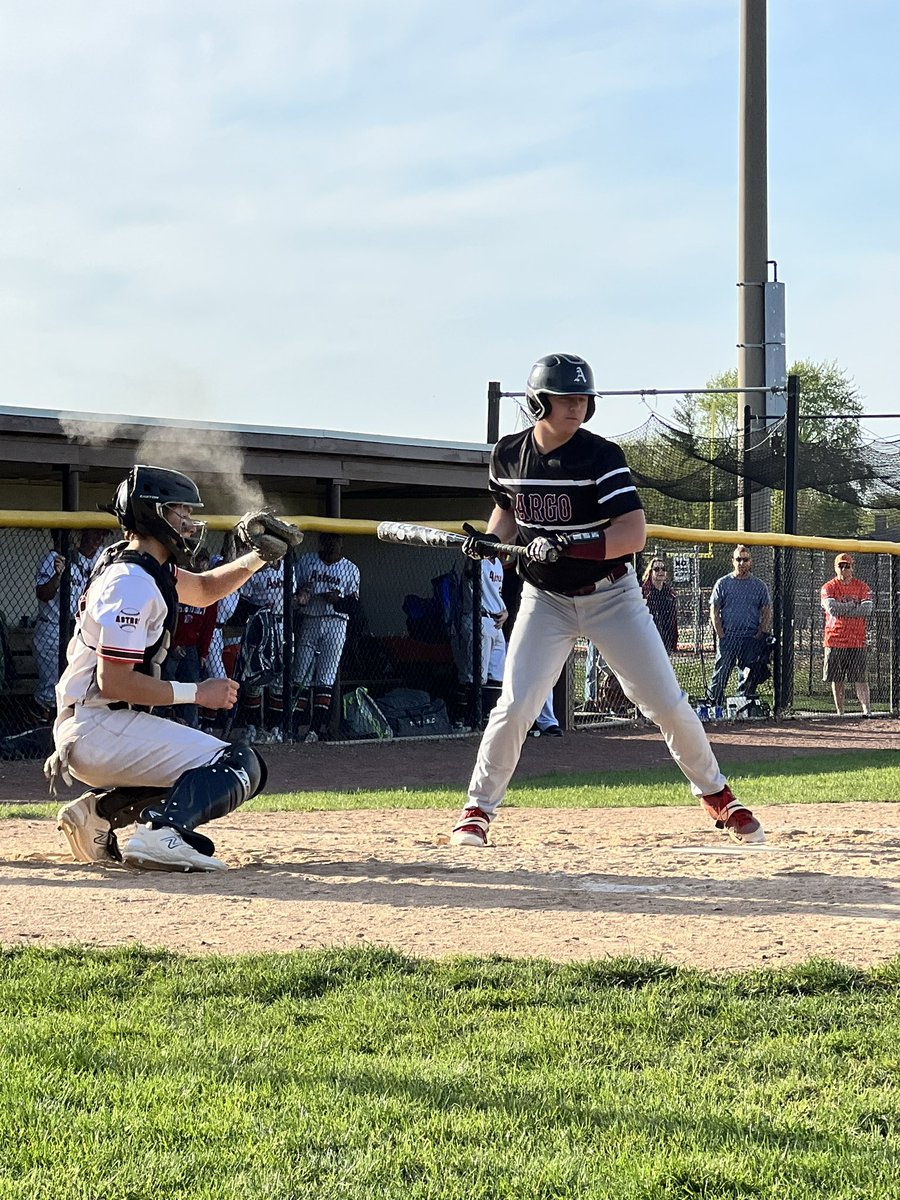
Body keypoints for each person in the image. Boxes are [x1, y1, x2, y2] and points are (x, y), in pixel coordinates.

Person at [448, 352, 764, 848]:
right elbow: (505, 515)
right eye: (564, 398)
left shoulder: (601, 456)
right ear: (538, 402)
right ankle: (477, 810)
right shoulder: (508, 455)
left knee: (666, 702)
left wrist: (571, 544)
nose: (576, 406)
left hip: (612, 595)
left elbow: (632, 533)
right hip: (545, 599)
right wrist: (490, 542)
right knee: (515, 705)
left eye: (581, 398)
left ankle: (718, 794)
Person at [49, 465, 301, 872]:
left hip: (96, 722)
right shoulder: (130, 581)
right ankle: (162, 832)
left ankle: (97, 814)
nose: (188, 520)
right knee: (239, 763)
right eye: (177, 509)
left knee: (199, 768)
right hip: (97, 725)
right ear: (151, 513)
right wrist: (197, 692)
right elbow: (112, 680)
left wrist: (258, 558)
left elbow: (202, 591)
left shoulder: (141, 566)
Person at [292, 533, 361, 742]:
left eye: (336, 541)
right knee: (300, 674)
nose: (332, 546)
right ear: (321, 543)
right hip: (310, 619)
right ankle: (294, 726)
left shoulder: (351, 568)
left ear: (341, 543)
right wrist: (301, 594)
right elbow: (293, 593)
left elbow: (354, 607)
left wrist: (337, 600)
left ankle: (315, 728)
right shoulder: (307, 561)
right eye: (328, 541)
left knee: (326, 677)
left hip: (336, 623)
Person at [32, 529, 105, 723]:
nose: (77, 538)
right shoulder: (52, 558)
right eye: (73, 534)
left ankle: (53, 723)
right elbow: (43, 594)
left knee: (68, 683)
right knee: (50, 688)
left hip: (71, 630)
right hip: (50, 628)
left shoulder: (77, 560)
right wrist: (58, 576)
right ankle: (38, 720)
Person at [707, 546, 772, 708]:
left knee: (748, 676)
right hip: (729, 637)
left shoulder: (759, 586)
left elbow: (766, 611)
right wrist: (721, 635)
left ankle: (743, 708)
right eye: (738, 559)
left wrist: (760, 633)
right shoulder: (723, 583)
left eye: (745, 559)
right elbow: (714, 611)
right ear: (733, 561)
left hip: (750, 637)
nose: (741, 563)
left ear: (751, 562)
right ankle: (714, 706)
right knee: (720, 674)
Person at [161, 547, 217, 729]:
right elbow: (165, 619)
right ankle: (160, 727)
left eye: (204, 560)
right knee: (165, 688)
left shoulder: (208, 590)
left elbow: (208, 625)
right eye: (197, 560)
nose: (201, 564)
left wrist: (203, 653)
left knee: (192, 691)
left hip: (191, 647)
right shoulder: (175, 584)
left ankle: (190, 730)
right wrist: (173, 644)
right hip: (169, 645)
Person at [820, 553, 873, 717]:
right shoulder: (828, 587)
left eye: (847, 566)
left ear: (852, 568)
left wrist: (844, 608)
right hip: (835, 639)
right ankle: (840, 712)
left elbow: (867, 609)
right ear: (835, 568)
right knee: (837, 679)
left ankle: (867, 712)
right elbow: (832, 609)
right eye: (840, 566)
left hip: (857, 640)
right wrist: (852, 605)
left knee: (860, 679)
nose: (844, 569)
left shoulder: (862, 586)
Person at [641, 557, 678, 654]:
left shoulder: (670, 593)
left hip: (666, 636)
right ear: (650, 572)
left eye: (663, 569)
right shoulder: (644, 591)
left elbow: (673, 619)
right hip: (648, 635)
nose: (661, 572)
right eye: (657, 569)